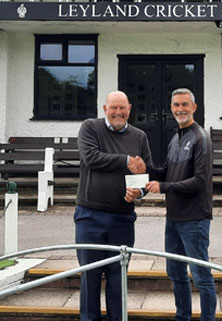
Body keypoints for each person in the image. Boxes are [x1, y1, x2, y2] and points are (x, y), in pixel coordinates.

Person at [74, 90, 151, 321]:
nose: (118, 112)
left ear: (129, 109)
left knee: (119, 280)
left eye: (122, 108)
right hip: (90, 216)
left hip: (122, 219)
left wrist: (139, 192)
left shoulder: (140, 137)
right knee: (90, 277)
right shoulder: (90, 127)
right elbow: (92, 158)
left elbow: (145, 173)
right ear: (105, 109)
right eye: (113, 108)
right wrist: (126, 160)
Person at [145, 88, 217, 321]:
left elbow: (200, 181)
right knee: (175, 272)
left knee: (201, 275)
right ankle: (182, 317)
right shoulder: (175, 138)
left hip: (195, 217)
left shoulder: (201, 138)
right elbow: (166, 172)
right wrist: (145, 170)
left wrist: (163, 187)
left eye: (185, 104)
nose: (180, 109)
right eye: (176, 105)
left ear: (194, 107)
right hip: (173, 218)